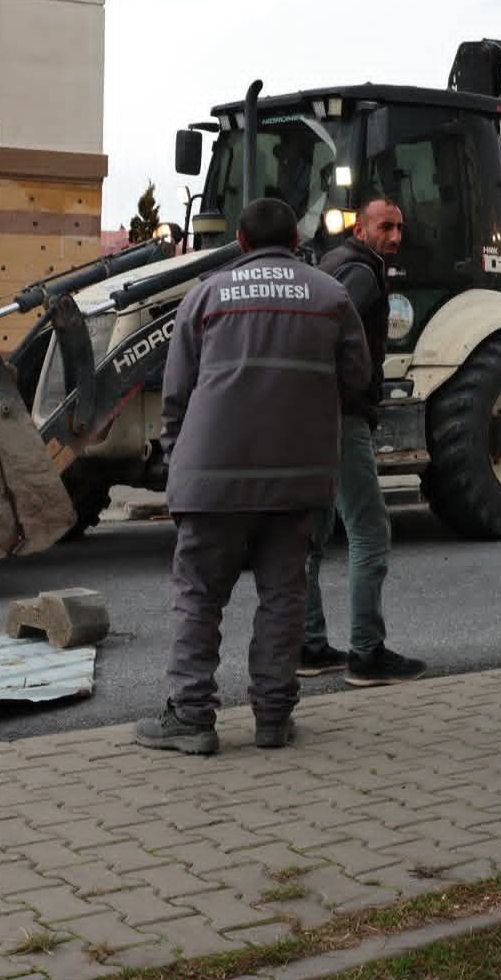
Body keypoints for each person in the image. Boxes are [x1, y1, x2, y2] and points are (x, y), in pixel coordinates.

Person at [134, 197, 373, 755]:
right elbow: (357, 379)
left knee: (199, 597)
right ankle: (272, 717)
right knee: (284, 597)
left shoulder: (205, 296)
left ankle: (192, 718)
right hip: (298, 479)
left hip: (211, 479)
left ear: (240, 242)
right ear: (295, 242)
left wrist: (178, 461)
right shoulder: (331, 297)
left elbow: (176, 394)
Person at [300, 198, 428, 686]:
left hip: (311, 416)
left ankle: (307, 646)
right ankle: (366, 653)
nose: (395, 237)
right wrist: (351, 388)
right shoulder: (363, 274)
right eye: (385, 227)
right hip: (342, 416)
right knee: (369, 530)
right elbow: (331, 331)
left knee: (312, 534)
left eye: (400, 228)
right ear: (361, 229)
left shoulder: (331, 263)